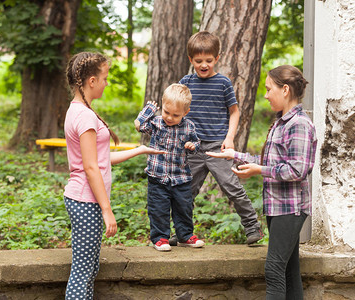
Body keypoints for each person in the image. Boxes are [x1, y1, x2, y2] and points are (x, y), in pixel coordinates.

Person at [207, 65, 317, 299]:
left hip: (291, 209)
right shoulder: (282, 122)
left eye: (269, 89)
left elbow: (297, 169)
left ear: (285, 89)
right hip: (278, 207)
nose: (266, 95)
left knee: (274, 268)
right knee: (289, 269)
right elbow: (271, 161)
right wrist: (235, 155)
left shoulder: (299, 124)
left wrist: (259, 171)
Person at [64, 52, 165, 299]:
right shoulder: (85, 116)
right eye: (105, 78)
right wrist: (107, 209)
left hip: (84, 199)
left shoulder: (77, 110)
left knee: (88, 269)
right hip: (86, 200)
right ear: (91, 81)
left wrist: (139, 149)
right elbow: (90, 168)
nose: (107, 83)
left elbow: (99, 159)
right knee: (83, 271)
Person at [172, 31, 262, 246]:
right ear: (190, 60)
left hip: (217, 147)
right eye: (198, 61)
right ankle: (183, 232)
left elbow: (234, 111)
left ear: (217, 58)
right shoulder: (186, 82)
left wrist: (230, 137)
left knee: (232, 187)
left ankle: (253, 227)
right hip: (192, 148)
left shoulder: (223, 82)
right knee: (186, 192)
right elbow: (177, 110)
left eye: (209, 60)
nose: (204, 65)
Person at [134, 83, 205, 251]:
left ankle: (185, 236)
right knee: (158, 209)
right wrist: (148, 111)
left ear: (185, 113)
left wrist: (192, 145)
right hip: (158, 177)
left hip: (181, 177)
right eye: (166, 112)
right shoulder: (156, 123)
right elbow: (138, 125)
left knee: (184, 208)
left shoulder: (188, 126)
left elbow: (197, 143)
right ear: (162, 106)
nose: (170, 118)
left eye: (175, 115)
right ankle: (160, 238)